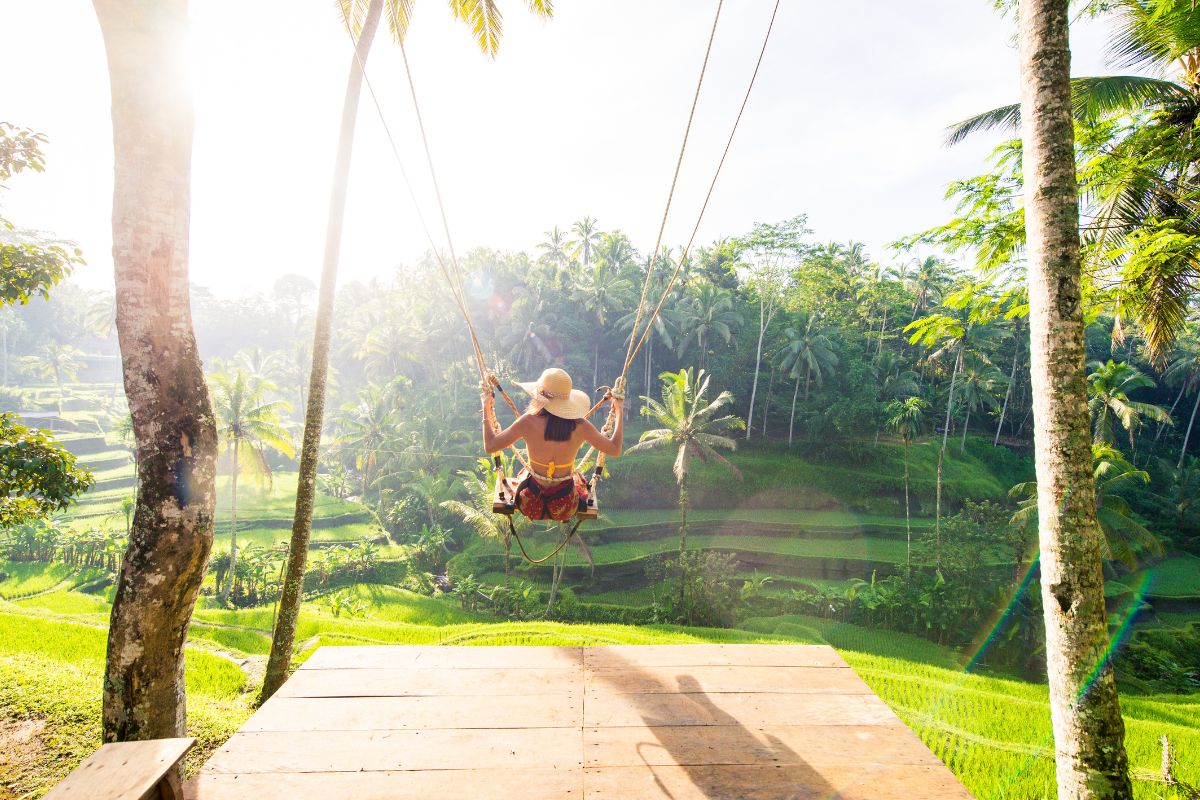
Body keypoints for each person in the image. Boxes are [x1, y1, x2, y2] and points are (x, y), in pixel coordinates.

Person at [482, 367, 623, 521]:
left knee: (524, 475)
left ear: (539, 397)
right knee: (577, 478)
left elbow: (490, 446)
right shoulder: (581, 426)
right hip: (565, 506)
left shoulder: (528, 422)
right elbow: (615, 449)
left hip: (530, 503)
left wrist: (485, 407)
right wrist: (619, 411)